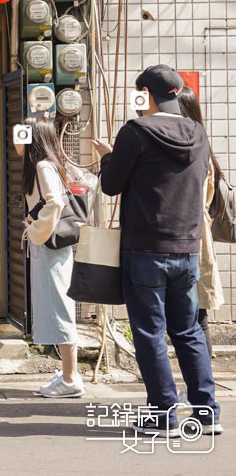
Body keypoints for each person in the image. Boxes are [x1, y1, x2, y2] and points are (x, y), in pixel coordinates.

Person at [93, 65, 221, 436]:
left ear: (145, 95)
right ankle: (207, 412)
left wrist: (108, 156)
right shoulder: (198, 132)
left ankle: (163, 414)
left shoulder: (136, 132)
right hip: (188, 247)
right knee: (188, 331)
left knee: (149, 332)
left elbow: (112, 186)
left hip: (147, 247)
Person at [16, 116, 84, 399]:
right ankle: (70, 374)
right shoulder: (45, 165)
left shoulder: (43, 166)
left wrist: (35, 229)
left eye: (21, 133)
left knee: (59, 308)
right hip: (50, 246)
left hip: (50, 246)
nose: (16, 139)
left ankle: (70, 379)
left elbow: (55, 201)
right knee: (57, 305)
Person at [176, 86, 225, 357]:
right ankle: (201, 385)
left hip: (191, 238)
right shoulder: (200, 144)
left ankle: (200, 385)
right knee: (196, 317)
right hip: (196, 237)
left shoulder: (191, 147)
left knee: (195, 317)